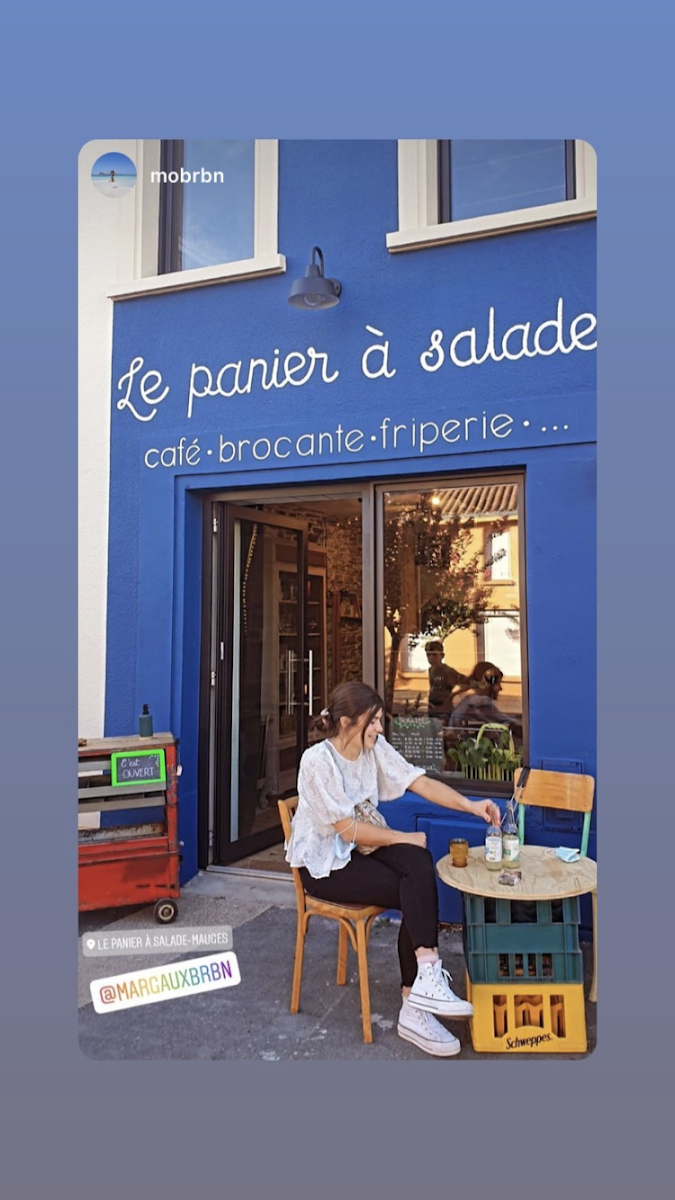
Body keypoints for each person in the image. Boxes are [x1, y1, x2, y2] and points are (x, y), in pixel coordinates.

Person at [284, 680, 500, 1058]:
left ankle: (424, 978)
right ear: (347, 722)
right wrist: (401, 837)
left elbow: (418, 780)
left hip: (359, 850)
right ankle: (415, 1003)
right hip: (324, 867)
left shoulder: (373, 749)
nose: (380, 729)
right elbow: (345, 829)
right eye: (374, 722)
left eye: (381, 721)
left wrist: (470, 805)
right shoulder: (316, 761)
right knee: (411, 878)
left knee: (416, 864)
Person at [425, 640, 468, 721]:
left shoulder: (448, 671)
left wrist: (453, 694)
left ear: (442, 655)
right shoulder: (430, 670)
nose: (431, 658)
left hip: (444, 710)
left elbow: (466, 682)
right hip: (432, 708)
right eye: (428, 655)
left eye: (434, 655)